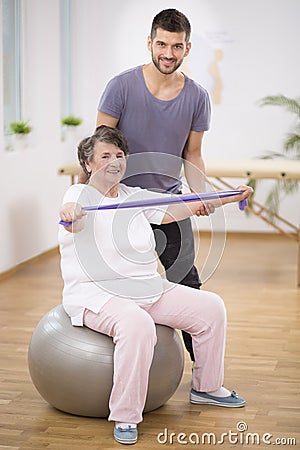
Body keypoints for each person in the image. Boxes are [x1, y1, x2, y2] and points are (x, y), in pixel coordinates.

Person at [59, 125, 252, 445]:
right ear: (89, 164)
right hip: (97, 293)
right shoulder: (79, 195)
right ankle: (125, 415)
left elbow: (183, 206)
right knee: (137, 324)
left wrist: (230, 196)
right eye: (105, 155)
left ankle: (206, 387)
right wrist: (70, 213)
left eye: (120, 155)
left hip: (144, 287)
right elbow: (72, 215)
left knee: (210, 307)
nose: (114, 161)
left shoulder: (134, 197)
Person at [91, 8, 212, 362]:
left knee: (188, 283)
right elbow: (99, 147)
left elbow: (193, 155)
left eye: (177, 46)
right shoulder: (121, 86)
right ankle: (109, 361)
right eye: (162, 44)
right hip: (120, 201)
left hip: (167, 203)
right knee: (110, 283)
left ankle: (204, 375)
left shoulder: (197, 96)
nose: (168, 53)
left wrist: (201, 195)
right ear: (149, 43)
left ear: (187, 49)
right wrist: (89, 198)